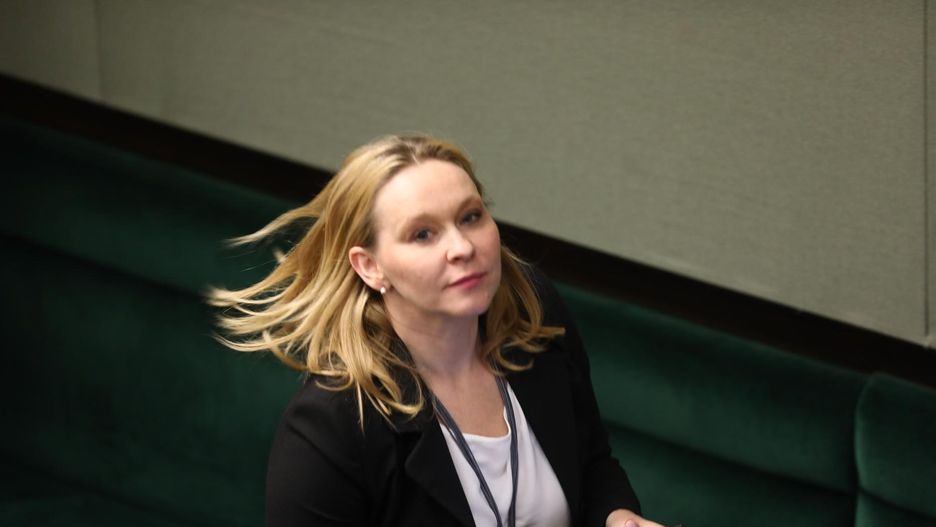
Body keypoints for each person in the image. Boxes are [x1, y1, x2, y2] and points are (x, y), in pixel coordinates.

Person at [209, 134, 665, 527]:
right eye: (423, 234)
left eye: (470, 217)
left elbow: (592, 463)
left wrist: (616, 516)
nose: (462, 247)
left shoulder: (533, 311)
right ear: (370, 267)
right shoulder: (331, 424)